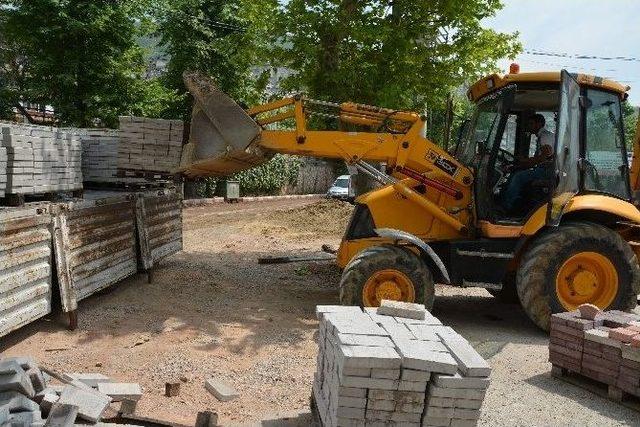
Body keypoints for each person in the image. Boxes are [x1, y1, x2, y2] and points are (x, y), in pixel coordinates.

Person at [501, 113, 555, 213]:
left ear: (539, 124)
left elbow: (544, 157)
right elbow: (540, 158)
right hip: (543, 168)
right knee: (516, 172)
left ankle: (507, 207)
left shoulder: (545, 136)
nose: (528, 126)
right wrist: (522, 163)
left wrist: (526, 161)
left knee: (518, 177)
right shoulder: (542, 136)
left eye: (531, 123)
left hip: (546, 171)